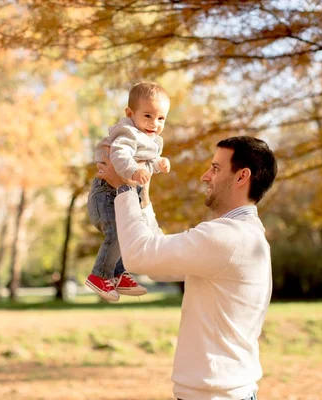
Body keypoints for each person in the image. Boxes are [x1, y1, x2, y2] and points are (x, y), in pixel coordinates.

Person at [97, 136, 277, 400]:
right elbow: (157, 265)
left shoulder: (228, 237)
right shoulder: (242, 235)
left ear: (242, 177)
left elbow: (138, 257)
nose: (206, 176)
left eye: (215, 168)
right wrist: (142, 198)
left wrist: (124, 188)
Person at [85, 82, 172, 302]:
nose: (155, 123)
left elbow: (148, 162)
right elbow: (120, 155)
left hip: (125, 193)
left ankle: (119, 274)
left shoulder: (152, 140)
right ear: (130, 113)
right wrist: (134, 170)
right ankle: (99, 275)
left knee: (128, 234)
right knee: (116, 232)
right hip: (105, 194)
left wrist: (159, 163)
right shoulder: (128, 132)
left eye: (161, 118)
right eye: (148, 116)